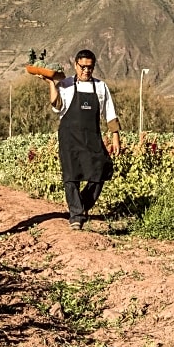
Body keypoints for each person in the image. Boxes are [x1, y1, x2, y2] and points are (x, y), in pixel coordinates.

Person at [40, 49, 121, 230]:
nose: (86, 70)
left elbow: (110, 112)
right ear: (75, 65)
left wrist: (115, 136)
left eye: (90, 67)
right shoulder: (66, 84)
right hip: (69, 138)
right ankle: (76, 216)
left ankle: (82, 204)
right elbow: (57, 105)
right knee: (71, 176)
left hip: (92, 136)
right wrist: (51, 84)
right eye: (82, 67)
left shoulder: (101, 87)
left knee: (101, 171)